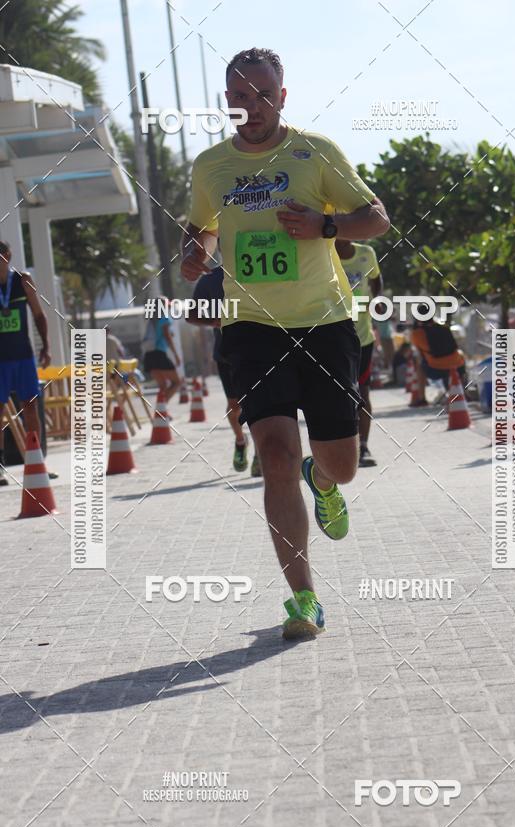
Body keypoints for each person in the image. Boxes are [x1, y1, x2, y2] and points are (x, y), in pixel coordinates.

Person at [180, 47, 390, 640]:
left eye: (264, 95)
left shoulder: (314, 153)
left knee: (343, 467)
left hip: (324, 325)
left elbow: (375, 217)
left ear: (283, 96)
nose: (253, 106)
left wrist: (326, 225)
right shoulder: (211, 166)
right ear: (229, 101)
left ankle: (320, 479)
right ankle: (303, 599)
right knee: (273, 451)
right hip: (249, 327)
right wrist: (194, 254)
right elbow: (199, 230)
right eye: (241, 97)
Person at [189, 266, 262, 477]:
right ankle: (241, 440)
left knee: (257, 404)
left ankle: (260, 454)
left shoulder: (255, 269)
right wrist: (215, 321)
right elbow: (192, 315)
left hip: (257, 352)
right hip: (226, 354)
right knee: (234, 406)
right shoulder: (210, 279)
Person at [0, 240, 51, 487]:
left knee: (30, 407)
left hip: (23, 356)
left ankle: (37, 461)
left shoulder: (23, 280)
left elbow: (39, 315)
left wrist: (47, 347)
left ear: (8, 256)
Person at [335, 238, 382, 467]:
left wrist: (378, 299)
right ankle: (338, 448)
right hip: (333, 338)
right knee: (338, 396)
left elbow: (376, 278)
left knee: (362, 395)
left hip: (363, 338)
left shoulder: (366, 253)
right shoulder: (323, 251)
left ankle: (363, 446)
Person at [410, 304, 466, 401]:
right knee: (459, 355)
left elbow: (420, 353)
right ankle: (465, 392)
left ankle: (421, 398)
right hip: (457, 367)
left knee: (418, 362)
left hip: (435, 369)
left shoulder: (417, 333)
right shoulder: (444, 327)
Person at [142, 300, 182, 407]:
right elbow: (167, 337)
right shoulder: (164, 318)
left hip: (148, 356)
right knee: (176, 382)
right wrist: (176, 355)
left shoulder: (151, 320)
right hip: (159, 354)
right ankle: (161, 408)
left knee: (163, 385)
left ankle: (160, 411)